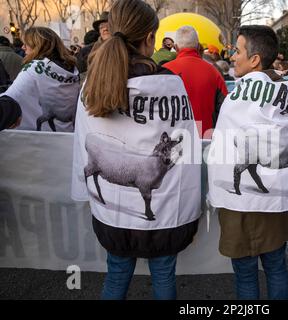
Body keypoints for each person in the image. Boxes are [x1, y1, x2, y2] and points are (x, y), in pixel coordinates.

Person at [71, 0, 201, 300]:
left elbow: (82, 140)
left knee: (116, 276)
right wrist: (192, 209)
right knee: (164, 276)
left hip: (112, 217)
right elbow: (187, 152)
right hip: (165, 217)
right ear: (150, 38)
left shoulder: (92, 83)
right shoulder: (171, 84)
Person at [207, 25, 288, 300]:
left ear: (255, 59)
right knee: (275, 266)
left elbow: (224, 150)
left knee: (247, 273)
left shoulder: (235, 100)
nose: (233, 56)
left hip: (242, 207)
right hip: (278, 203)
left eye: (237, 51)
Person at [0, 27, 80, 132]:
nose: (23, 47)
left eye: (26, 44)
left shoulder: (35, 68)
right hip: (68, 135)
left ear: (38, 45)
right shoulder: (72, 70)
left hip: (39, 140)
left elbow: (11, 97)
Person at [164, 26, 228, 138]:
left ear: (176, 47)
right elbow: (225, 108)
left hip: (172, 138)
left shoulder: (164, 71)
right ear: (198, 46)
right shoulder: (214, 71)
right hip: (205, 138)